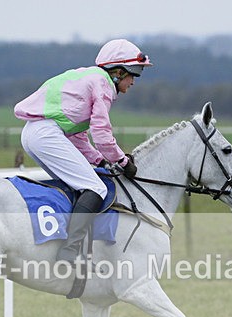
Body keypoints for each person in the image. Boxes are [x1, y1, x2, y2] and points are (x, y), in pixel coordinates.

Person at [14, 38, 152, 263]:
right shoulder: (104, 85)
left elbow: (78, 136)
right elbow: (101, 133)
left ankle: (60, 239)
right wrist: (122, 161)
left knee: (78, 184)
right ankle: (69, 251)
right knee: (95, 187)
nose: (134, 82)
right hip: (46, 135)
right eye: (133, 74)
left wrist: (100, 160)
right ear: (117, 72)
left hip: (35, 134)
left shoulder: (90, 78)